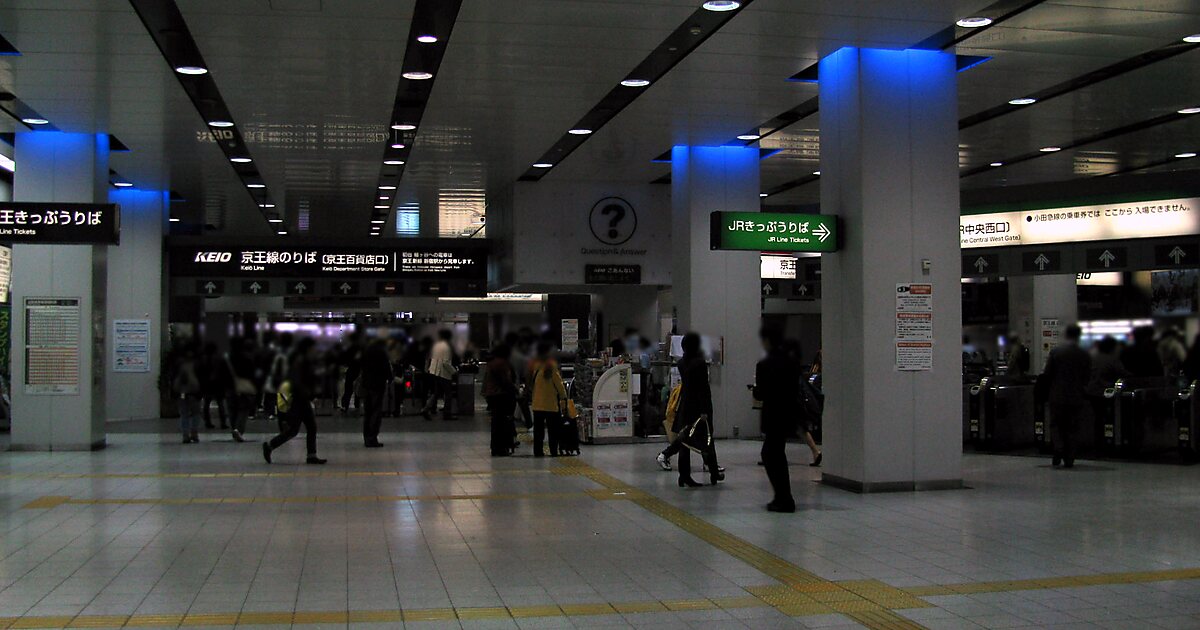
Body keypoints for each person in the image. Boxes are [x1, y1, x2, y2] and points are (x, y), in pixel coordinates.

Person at [655, 333, 723, 487]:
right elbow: (703, 389)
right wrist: (705, 410)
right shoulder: (699, 363)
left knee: (685, 441)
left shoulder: (681, 363)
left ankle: (684, 475)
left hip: (685, 405)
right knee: (707, 439)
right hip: (699, 407)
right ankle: (714, 472)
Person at [263, 337, 326, 465]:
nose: (315, 350)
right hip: (298, 400)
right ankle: (270, 446)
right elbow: (297, 381)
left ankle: (311, 455)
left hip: (302, 399)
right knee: (295, 430)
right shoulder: (300, 361)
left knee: (308, 427)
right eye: (313, 347)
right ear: (308, 348)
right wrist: (310, 394)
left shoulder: (305, 360)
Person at [755, 329, 799, 512]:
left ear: (767, 341)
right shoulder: (791, 362)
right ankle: (783, 496)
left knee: (770, 455)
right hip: (787, 414)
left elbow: (762, 393)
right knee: (777, 454)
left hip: (772, 415)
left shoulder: (764, 365)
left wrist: (755, 391)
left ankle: (784, 498)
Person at [1038, 324, 1091, 468]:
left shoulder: (1056, 352)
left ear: (1066, 335)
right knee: (1073, 427)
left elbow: (1047, 374)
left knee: (1056, 424)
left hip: (1057, 395)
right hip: (1076, 396)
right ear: (1079, 336)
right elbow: (1087, 376)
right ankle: (1070, 458)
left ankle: (1058, 447)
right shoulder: (1084, 354)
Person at [528, 340, 568, 457]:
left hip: (537, 404)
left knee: (538, 431)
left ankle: (538, 451)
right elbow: (558, 384)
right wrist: (563, 396)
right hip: (550, 404)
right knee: (553, 430)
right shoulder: (551, 365)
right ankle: (553, 451)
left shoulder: (535, 365)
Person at [1086, 336, 1129, 436]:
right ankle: (1108, 438)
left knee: (1098, 417)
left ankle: (1098, 439)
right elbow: (1123, 373)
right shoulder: (1112, 359)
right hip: (1106, 392)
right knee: (1108, 418)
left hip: (1091, 392)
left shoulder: (1092, 358)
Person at [483, 343, 519, 456]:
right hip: (501, 395)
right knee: (502, 422)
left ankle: (495, 447)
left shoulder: (492, 362)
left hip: (492, 395)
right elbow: (505, 381)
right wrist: (515, 390)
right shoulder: (501, 363)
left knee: (496, 423)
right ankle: (501, 448)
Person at [360, 337, 392, 448]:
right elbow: (386, 368)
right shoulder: (381, 352)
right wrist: (390, 378)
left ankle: (366, 437)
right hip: (377, 385)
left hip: (366, 385)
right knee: (376, 411)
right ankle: (372, 438)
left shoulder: (366, 351)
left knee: (368, 412)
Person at [226, 337, 256, 442]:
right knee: (243, 410)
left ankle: (234, 428)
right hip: (244, 386)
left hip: (230, 386)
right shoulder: (247, 358)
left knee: (232, 410)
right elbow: (252, 374)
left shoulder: (227, 358)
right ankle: (238, 430)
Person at [171, 342, 203, 444]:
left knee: (184, 414)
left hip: (181, 392)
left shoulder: (178, 363)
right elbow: (202, 378)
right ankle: (194, 433)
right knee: (196, 413)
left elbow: (173, 378)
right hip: (194, 392)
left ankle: (185, 435)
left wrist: (173, 392)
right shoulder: (197, 363)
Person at [422, 330, 456, 420]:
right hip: (444, 373)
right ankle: (447, 414)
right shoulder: (447, 347)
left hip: (435, 372)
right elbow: (445, 363)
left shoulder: (436, 346)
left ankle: (425, 409)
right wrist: (454, 371)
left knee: (436, 393)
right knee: (448, 394)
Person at [199, 342, 227, 430]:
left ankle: (207, 422)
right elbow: (224, 371)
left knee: (206, 404)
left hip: (206, 384)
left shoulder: (202, 359)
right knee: (220, 404)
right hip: (218, 384)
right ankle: (223, 422)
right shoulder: (219, 359)